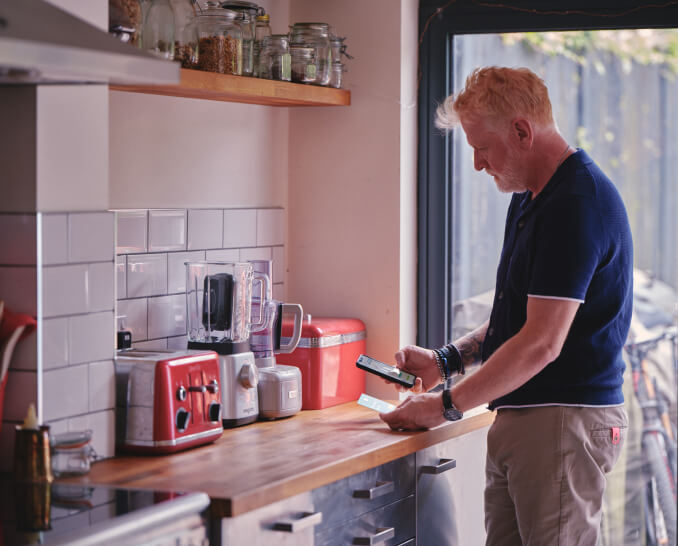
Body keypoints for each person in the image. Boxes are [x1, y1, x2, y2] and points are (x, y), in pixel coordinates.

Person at [380, 66, 633, 545]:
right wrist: (445, 361)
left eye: (482, 147)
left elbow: (541, 344)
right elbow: (516, 320)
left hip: (563, 423)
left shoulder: (576, 203)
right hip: (532, 423)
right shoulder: (534, 197)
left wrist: (446, 406)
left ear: (522, 131)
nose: (477, 163)